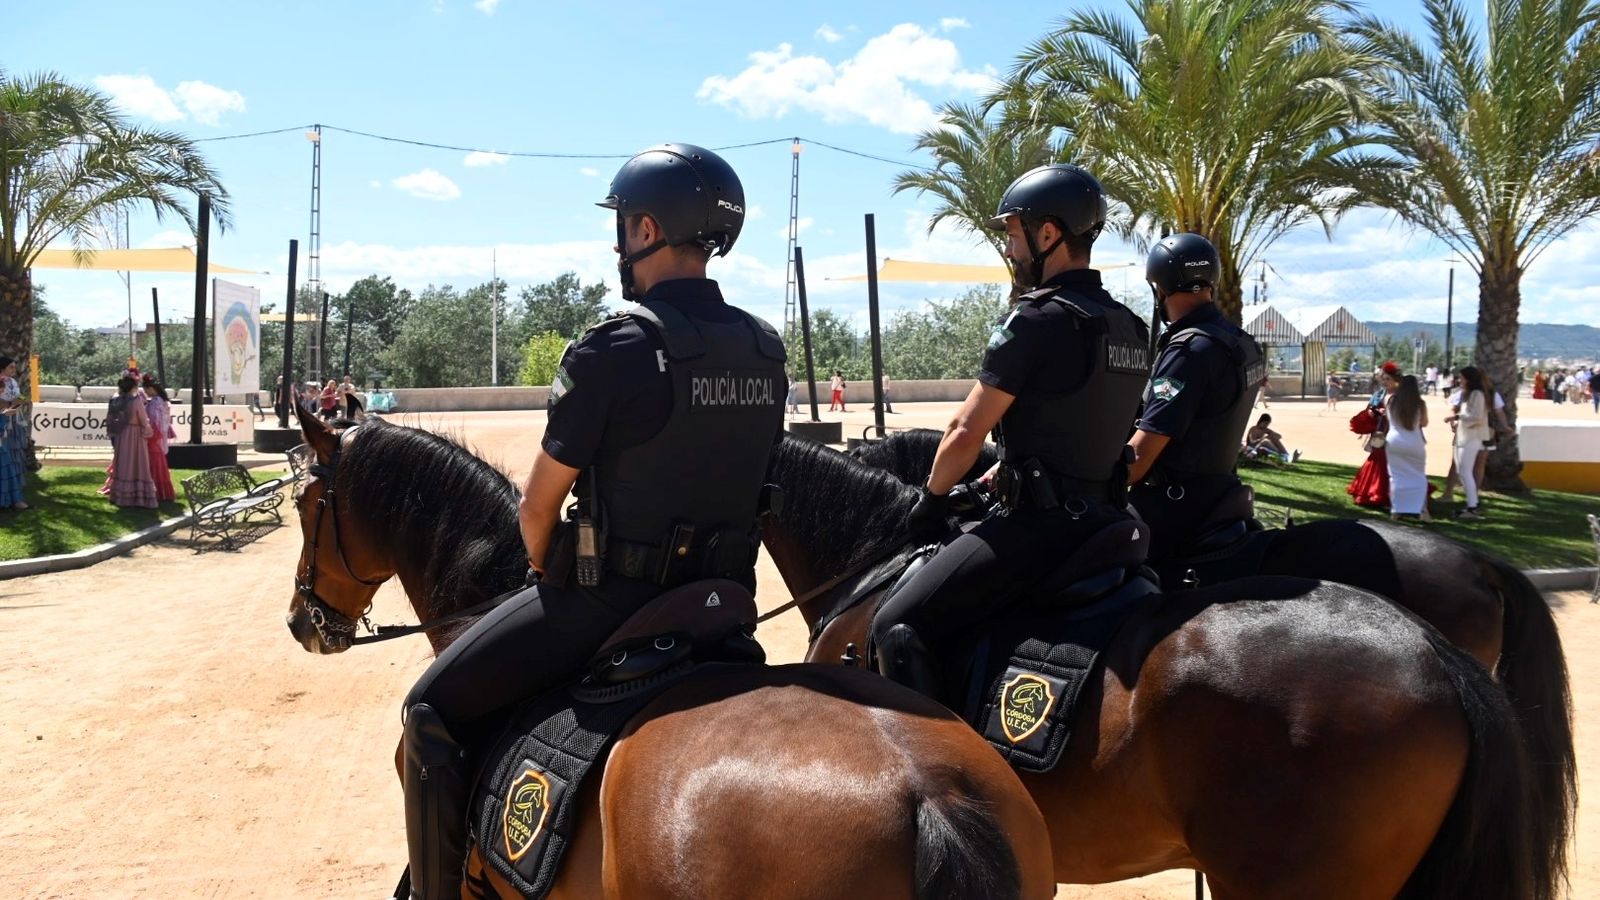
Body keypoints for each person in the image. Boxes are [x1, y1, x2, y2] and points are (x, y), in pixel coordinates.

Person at [397, 143, 784, 900]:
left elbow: (538, 507)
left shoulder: (618, 345)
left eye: (623, 226)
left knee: (429, 710)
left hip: (613, 601)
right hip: (727, 602)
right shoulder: (765, 348)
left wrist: (545, 568)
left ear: (644, 230)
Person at [868, 163, 1150, 701]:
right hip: (1112, 521)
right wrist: (1009, 470)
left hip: (1039, 531)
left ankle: (940, 773)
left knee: (896, 625)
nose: (1010, 248)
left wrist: (932, 497)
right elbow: (1084, 424)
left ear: (1049, 234)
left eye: (1013, 233)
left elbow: (965, 429)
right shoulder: (1129, 326)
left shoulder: (1037, 318)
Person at [1126, 233, 1265, 561]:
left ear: (1159, 288)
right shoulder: (1242, 344)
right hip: (1222, 493)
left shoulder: (1189, 351)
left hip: (1173, 506)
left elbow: (1140, 459)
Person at [1347, 361, 1401, 508]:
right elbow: (1371, 409)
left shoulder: (1401, 395)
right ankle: (1375, 491)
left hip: (1396, 432)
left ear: (1396, 380)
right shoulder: (1380, 394)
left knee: (1392, 463)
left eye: (1387, 379)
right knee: (1378, 459)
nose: (1385, 382)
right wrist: (1375, 412)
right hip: (1381, 431)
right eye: (1383, 379)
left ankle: (1390, 495)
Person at [1446, 366, 1491, 519]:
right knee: (1462, 471)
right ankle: (1472, 504)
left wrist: (1458, 418)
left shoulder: (1477, 395)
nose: (1460, 380)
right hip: (1464, 437)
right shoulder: (1469, 394)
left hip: (1471, 438)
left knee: (1465, 471)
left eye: (1462, 378)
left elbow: (1477, 417)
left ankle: (1473, 506)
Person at [107, 376, 158, 509]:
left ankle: (119, 496)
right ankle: (137, 497)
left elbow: (110, 420)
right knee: (137, 464)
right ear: (134, 387)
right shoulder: (135, 401)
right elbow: (143, 419)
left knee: (123, 463)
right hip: (135, 435)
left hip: (121, 435)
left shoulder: (115, 400)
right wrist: (148, 431)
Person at [1385, 374, 1431, 521]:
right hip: (1414, 441)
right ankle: (1422, 510)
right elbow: (1424, 423)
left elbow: (1389, 420)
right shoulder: (1420, 403)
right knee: (1419, 475)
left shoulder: (1391, 400)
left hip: (1394, 440)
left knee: (1396, 476)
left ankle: (1396, 510)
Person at [142, 375, 177, 503]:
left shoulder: (154, 403)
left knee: (153, 464)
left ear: (151, 388)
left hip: (154, 437)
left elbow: (152, 421)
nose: (146, 392)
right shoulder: (163, 401)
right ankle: (161, 490)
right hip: (160, 437)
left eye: (146, 390)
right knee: (160, 464)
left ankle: (154, 490)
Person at [0, 355, 26, 510]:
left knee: (10, 457)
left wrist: (17, 403)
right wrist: (10, 404)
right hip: (3, 421)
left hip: (9, 419)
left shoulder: (12, 382)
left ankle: (14, 493)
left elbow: (20, 397)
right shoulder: (2, 382)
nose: (14, 369)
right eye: (11, 367)